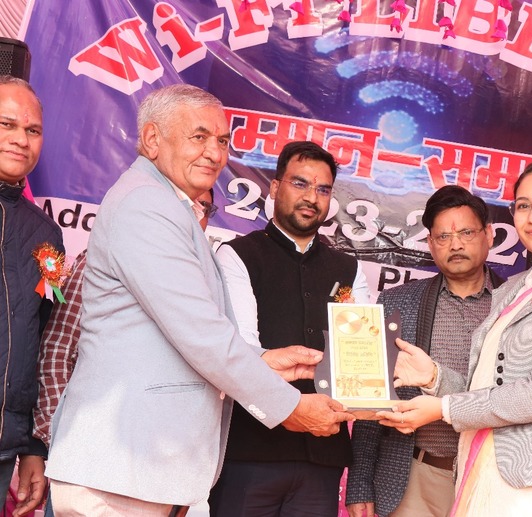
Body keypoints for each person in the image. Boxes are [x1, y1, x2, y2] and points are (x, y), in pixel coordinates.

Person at [44, 85, 353, 515]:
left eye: (222, 141)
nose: (214, 153)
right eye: (199, 137)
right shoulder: (146, 206)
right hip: (120, 463)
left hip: (143, 467)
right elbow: (200, 334)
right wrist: (289, 407)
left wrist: (262, 361)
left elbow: (188, 333)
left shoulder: (171, 207)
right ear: (152, 139)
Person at [378, 160, 532, 516]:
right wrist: (434, 377)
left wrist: (443, 408)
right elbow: (494, 389)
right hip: (486, 477)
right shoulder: (514, 289)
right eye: (523, 205)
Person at [208, 140, 370, 516]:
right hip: (250, 453)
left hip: (323, 457)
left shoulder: (348, 269)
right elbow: (241, 353)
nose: (311, 197)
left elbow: (360, 359)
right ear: (275, 187)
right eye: (300, 183)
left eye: (323, 189)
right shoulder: (238, 255)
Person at [346, 185, 503, 517]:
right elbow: (371, 399)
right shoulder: (398, 302)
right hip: (415, 478)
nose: (455, 244)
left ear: (488, 235)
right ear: (430, 243)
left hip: (491, 478)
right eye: (443, 236)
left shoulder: (516, 303)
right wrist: (360, 482)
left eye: (466, 233)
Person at [33, 188, 217, 449]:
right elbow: (58, 350)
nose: (194, 214)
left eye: (203, 207)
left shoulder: (206, 280)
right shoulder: (107, 257)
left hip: (161, 450)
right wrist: (57, 436)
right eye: (186, 203)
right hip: (91, 441)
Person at [0, 75, 62, 516]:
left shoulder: (47, 238)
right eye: (6, 124)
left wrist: (34, 446)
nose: (21, 139)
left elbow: (44, 338)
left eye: (32, 129)